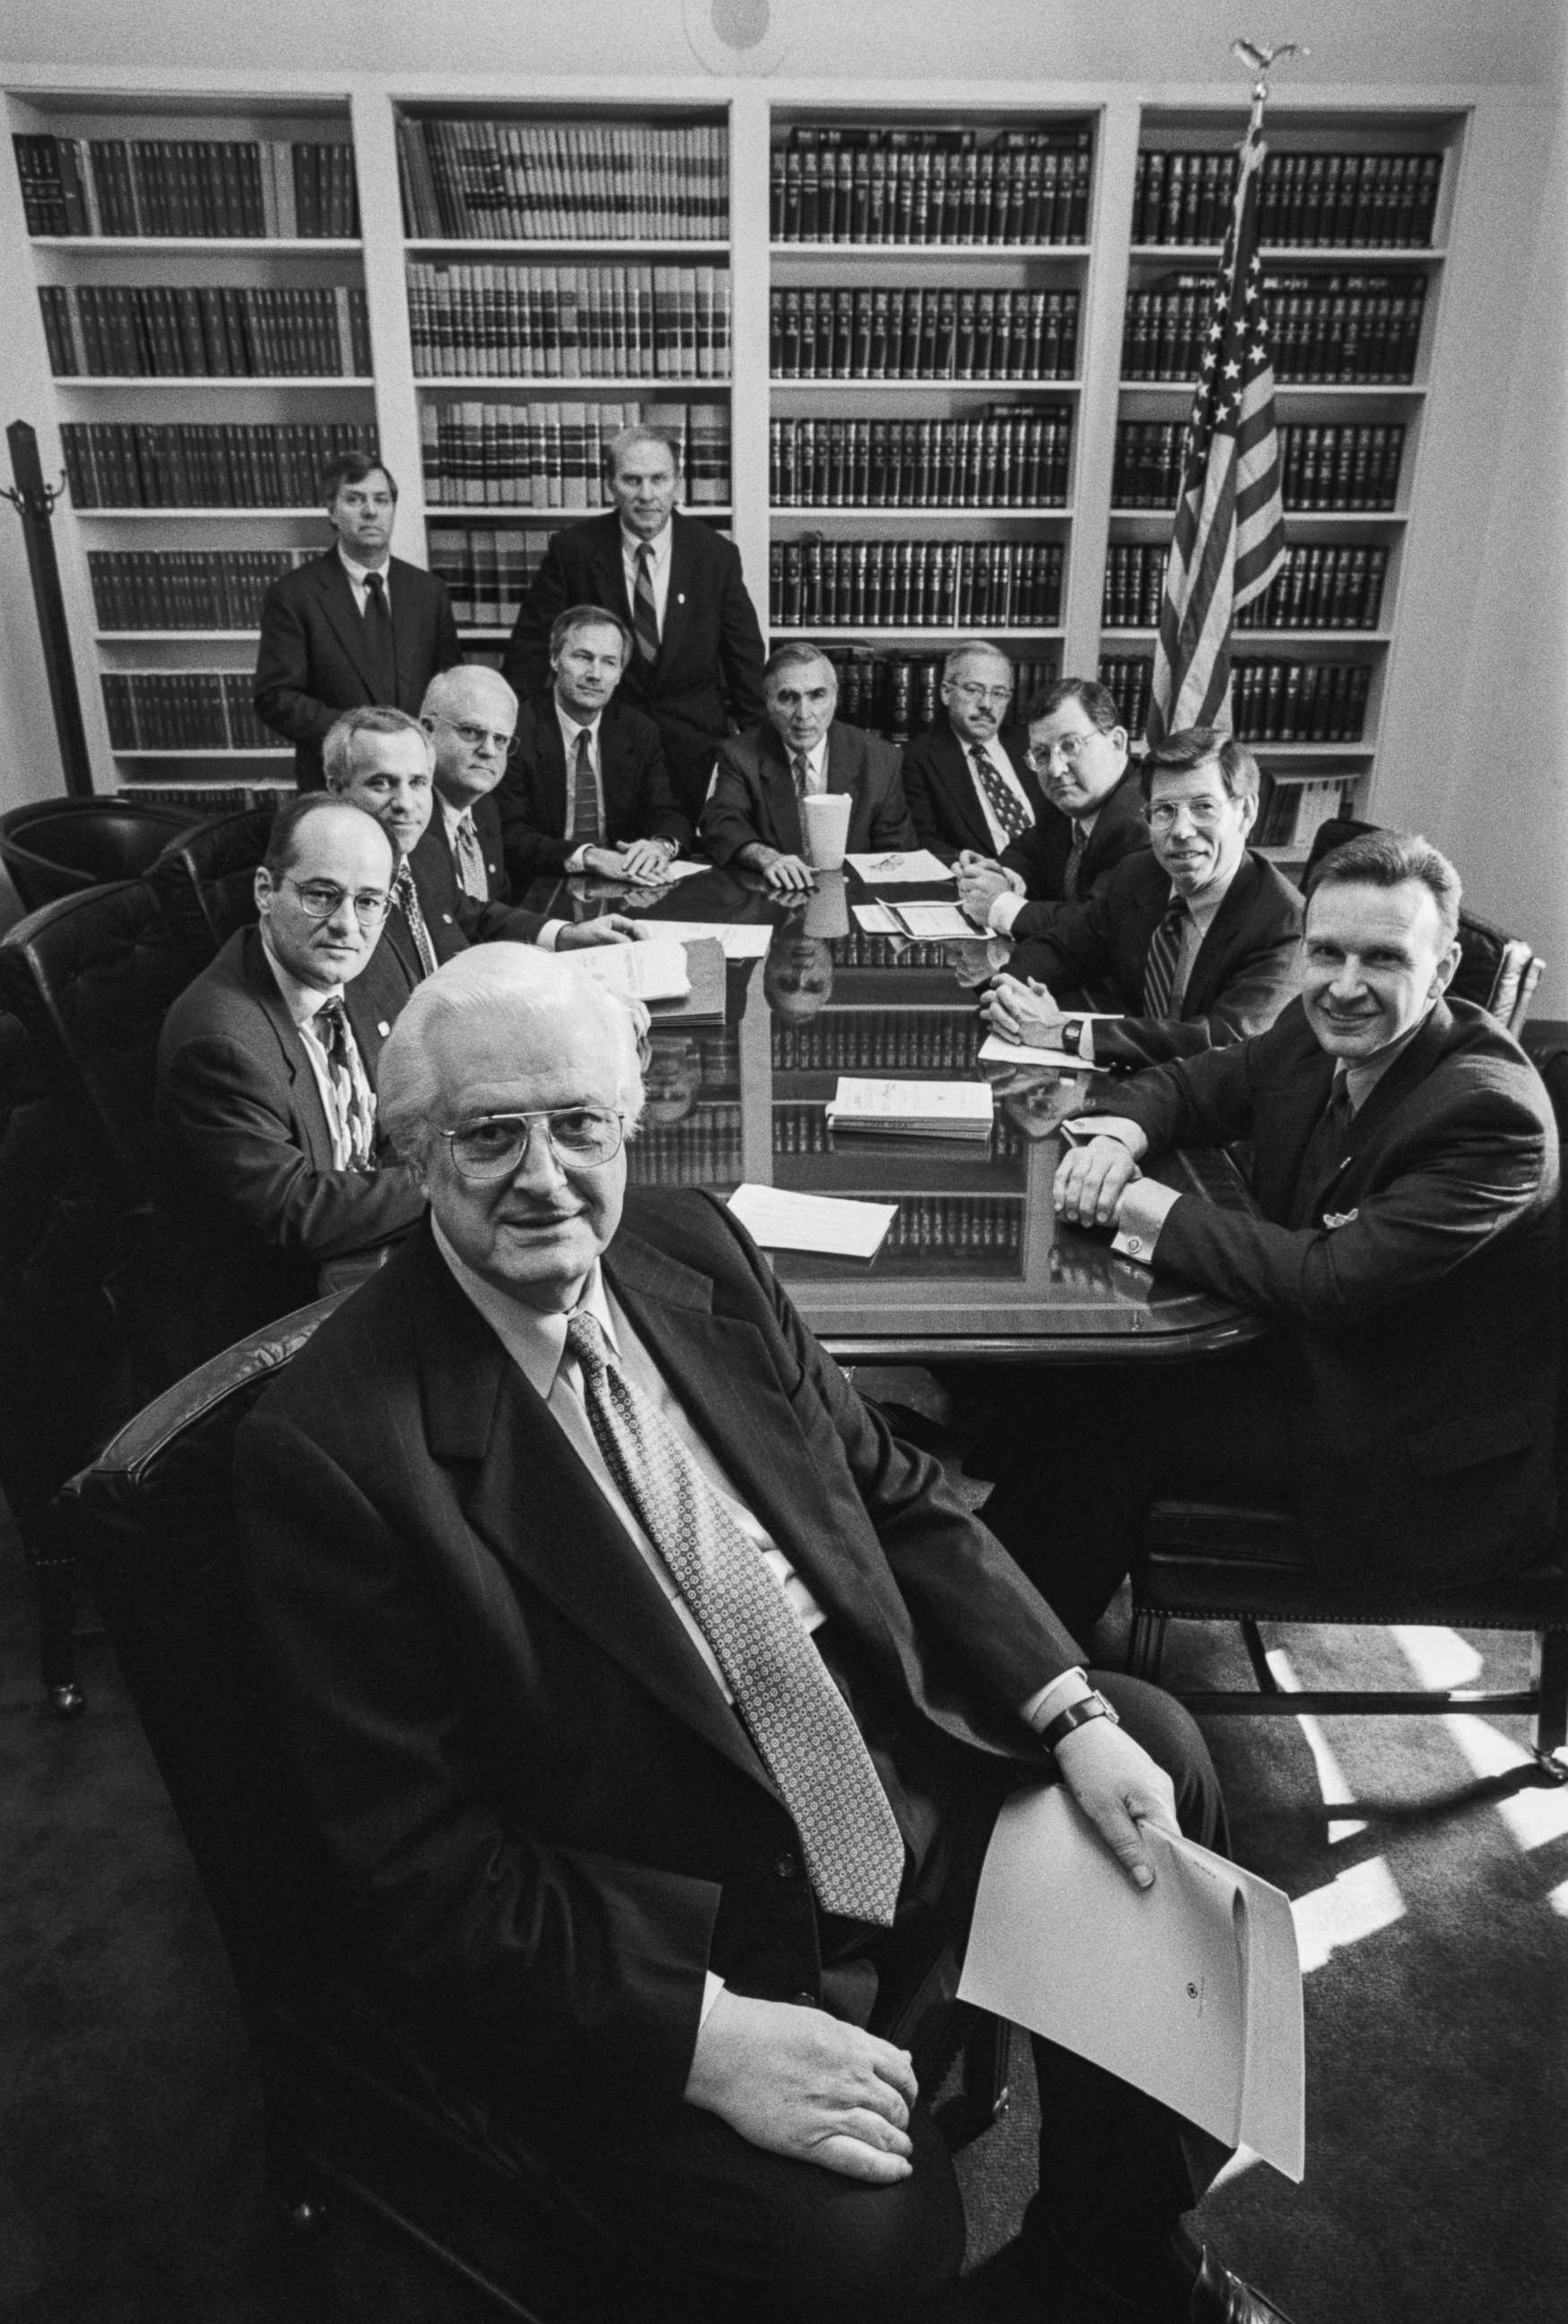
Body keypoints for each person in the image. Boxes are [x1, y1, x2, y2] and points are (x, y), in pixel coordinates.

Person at [235, 941, 1299, 2324]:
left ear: (630, 1124)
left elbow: (896, 1499)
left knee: (1157, 1754)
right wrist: (699, 2036)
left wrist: (1066, 1710)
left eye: (581, 1125)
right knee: (865, 2252)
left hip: (886, 1777)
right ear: (415, 1151)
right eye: (490, 1134)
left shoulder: (697, 1250)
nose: (547, 1175)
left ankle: (1112, 2259)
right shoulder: (331, 1450)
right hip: (685, 1903)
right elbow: (419, 1866)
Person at [982, 829, 1560, 1638]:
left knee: (1108, 1415)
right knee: (1068, 1381)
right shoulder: (1313, 1026)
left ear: (1444, 968)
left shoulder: (1488, 1116)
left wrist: (1135, 1207)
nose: (1344, 986)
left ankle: (1011, 1684)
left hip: (1407, 1436)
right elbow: (1189, 1084)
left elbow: (1324, 1281)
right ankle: (988, 1638)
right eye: (1325, 953)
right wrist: (1115, 1139)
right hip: (1322, 1359)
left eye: (1383, 959)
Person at [154, 794, 427, 1369]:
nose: (347, 925)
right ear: (264, 891)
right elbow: (298, 1213)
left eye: (369, 900)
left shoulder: (358, 960)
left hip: (366, 1244)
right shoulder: (219, 1044)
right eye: (320, 895)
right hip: (278, 1317)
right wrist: (447, 1176)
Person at [982, 726, 1302, 1071]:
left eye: (1203, 807)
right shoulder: (1140, 874)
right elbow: (1064, 947)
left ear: (1247, 813)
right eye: (1164, 811)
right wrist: (1010, 995)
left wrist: (1066, 1032)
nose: (1181, 831)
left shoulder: (1284, 921)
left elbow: (1222, 1043)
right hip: (1135, 1085)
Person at [500, 424, 767, 824]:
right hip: (604, 744)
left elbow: (745, 659)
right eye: (632, 480)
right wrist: (508, 738)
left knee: (690, 861)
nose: (646, 495)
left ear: (677, 482)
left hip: (694, 747)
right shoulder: (573, 550)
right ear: (610, 484)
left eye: (659, 479)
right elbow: (532, 651)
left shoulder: (715, 555)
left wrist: (760, 753)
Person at [322, 706, 637, 976]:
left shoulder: (425, 853)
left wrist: (568, 934)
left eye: (418, 782)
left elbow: (474, 917)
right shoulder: (328, 894)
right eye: (381, 783)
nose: (406, 803)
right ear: (337, 790)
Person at [253, 451, 462, 791]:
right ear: (332, 512)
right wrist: (362, 737)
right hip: (338, 781)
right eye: (354, 500)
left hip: (420, 784)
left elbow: (447, 687)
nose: (370, 511)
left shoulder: (429, 592)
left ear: (393, 510)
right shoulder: (294, 594)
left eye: (381, 500)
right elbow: (275, 698)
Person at [494, 605, 694, 891]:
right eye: (583, 657)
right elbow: (509, 832)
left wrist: (659, 846)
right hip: (540, 885)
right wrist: (588, 857)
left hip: (622, 886)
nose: (595, 674)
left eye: (609, 662)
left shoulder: (638, 731)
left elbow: (667, 811)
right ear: (554, 659)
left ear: (620, 674)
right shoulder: (517, 729)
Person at [700, 644, 916, 893]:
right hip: (772, 899)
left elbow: (898, 855)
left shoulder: (881, 759)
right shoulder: (738, 755)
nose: (803, 714)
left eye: (816, 695)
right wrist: (768, 858)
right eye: (788, 697)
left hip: (852, 901)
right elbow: (721, 824)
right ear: (768, 702)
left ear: (835, 697)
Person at [956, 677, 1148, 941]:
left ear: (1116, 742)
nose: (1056, 770)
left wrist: (1000, 905)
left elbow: (1096, 924)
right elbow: (1029, 849)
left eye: (1070, 746)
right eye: (1042, 754)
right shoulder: (1073, 797)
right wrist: (1000, 875)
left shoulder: (1141, 821)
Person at [897, 642, 1063, 868]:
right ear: (946, 692)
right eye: (973, 689)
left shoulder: (1031, 743)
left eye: (998, 693)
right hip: (979, 882)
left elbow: (1062, 815)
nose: (986, 704)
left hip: (1054, 879)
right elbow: (925, 841)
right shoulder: (918, 758)